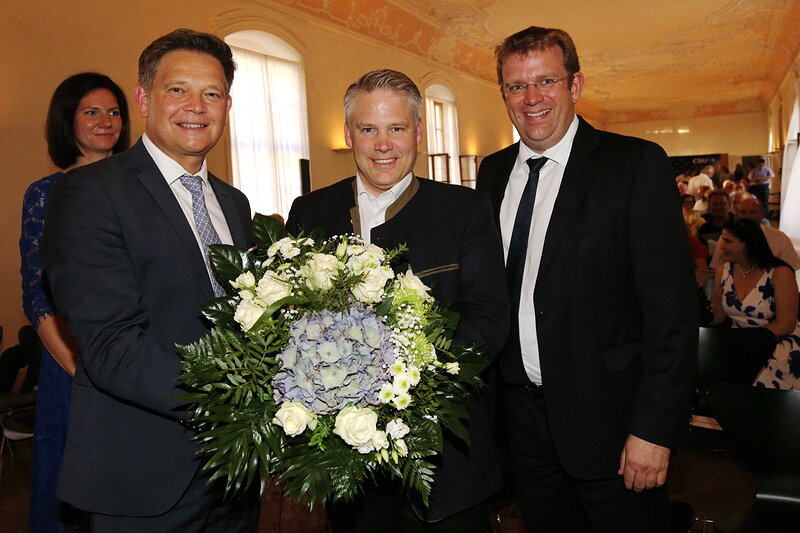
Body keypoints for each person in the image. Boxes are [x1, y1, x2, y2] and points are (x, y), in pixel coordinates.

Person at [475, 26, 696, 532]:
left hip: (614, 427)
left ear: (574, 86)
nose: (531, 99)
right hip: (522, 425)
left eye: (545, 81)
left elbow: (672, 315)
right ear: (504, 94)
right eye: (515, 86)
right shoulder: (492, 172)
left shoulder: (633, 165)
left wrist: (654, 431)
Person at [41, 29, 258, 532]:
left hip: (236, 473)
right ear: (143, 98)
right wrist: (240, 399)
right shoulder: (89, 194)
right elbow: (111, 345)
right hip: (142, 472)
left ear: (227, 105)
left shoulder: (235, 204)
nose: (196, 107)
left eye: (212, 94)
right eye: (177, 89)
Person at [286, 69, 509, 532]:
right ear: (349, 135)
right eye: (368, 129)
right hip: (347, 466)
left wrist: (402, 379)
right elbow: (287, 326)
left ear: (418, 133)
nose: (382, 144)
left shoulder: (465, 211)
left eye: (396, 128)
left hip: (447, 464)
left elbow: (488, 321)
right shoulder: (309, 212)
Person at [20, 72, 130, 533]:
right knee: (73, 493)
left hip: (134, 360)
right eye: (91, 111)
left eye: (113, 112)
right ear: (68, 121)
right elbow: (36, 294)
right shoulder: (45, 194)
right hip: (74, 364)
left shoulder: (139, 187)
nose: (106, 121)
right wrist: (81, 369)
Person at [711, 218, 800, 389]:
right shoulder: (723, 271)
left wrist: (748, 339)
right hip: (739, 344)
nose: (721, 245)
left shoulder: (780, 273)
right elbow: (718, 316)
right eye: (722, 239)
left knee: (762, 377)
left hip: (778, 344)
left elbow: (787, 324)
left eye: (728, 241)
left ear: (748, 244)